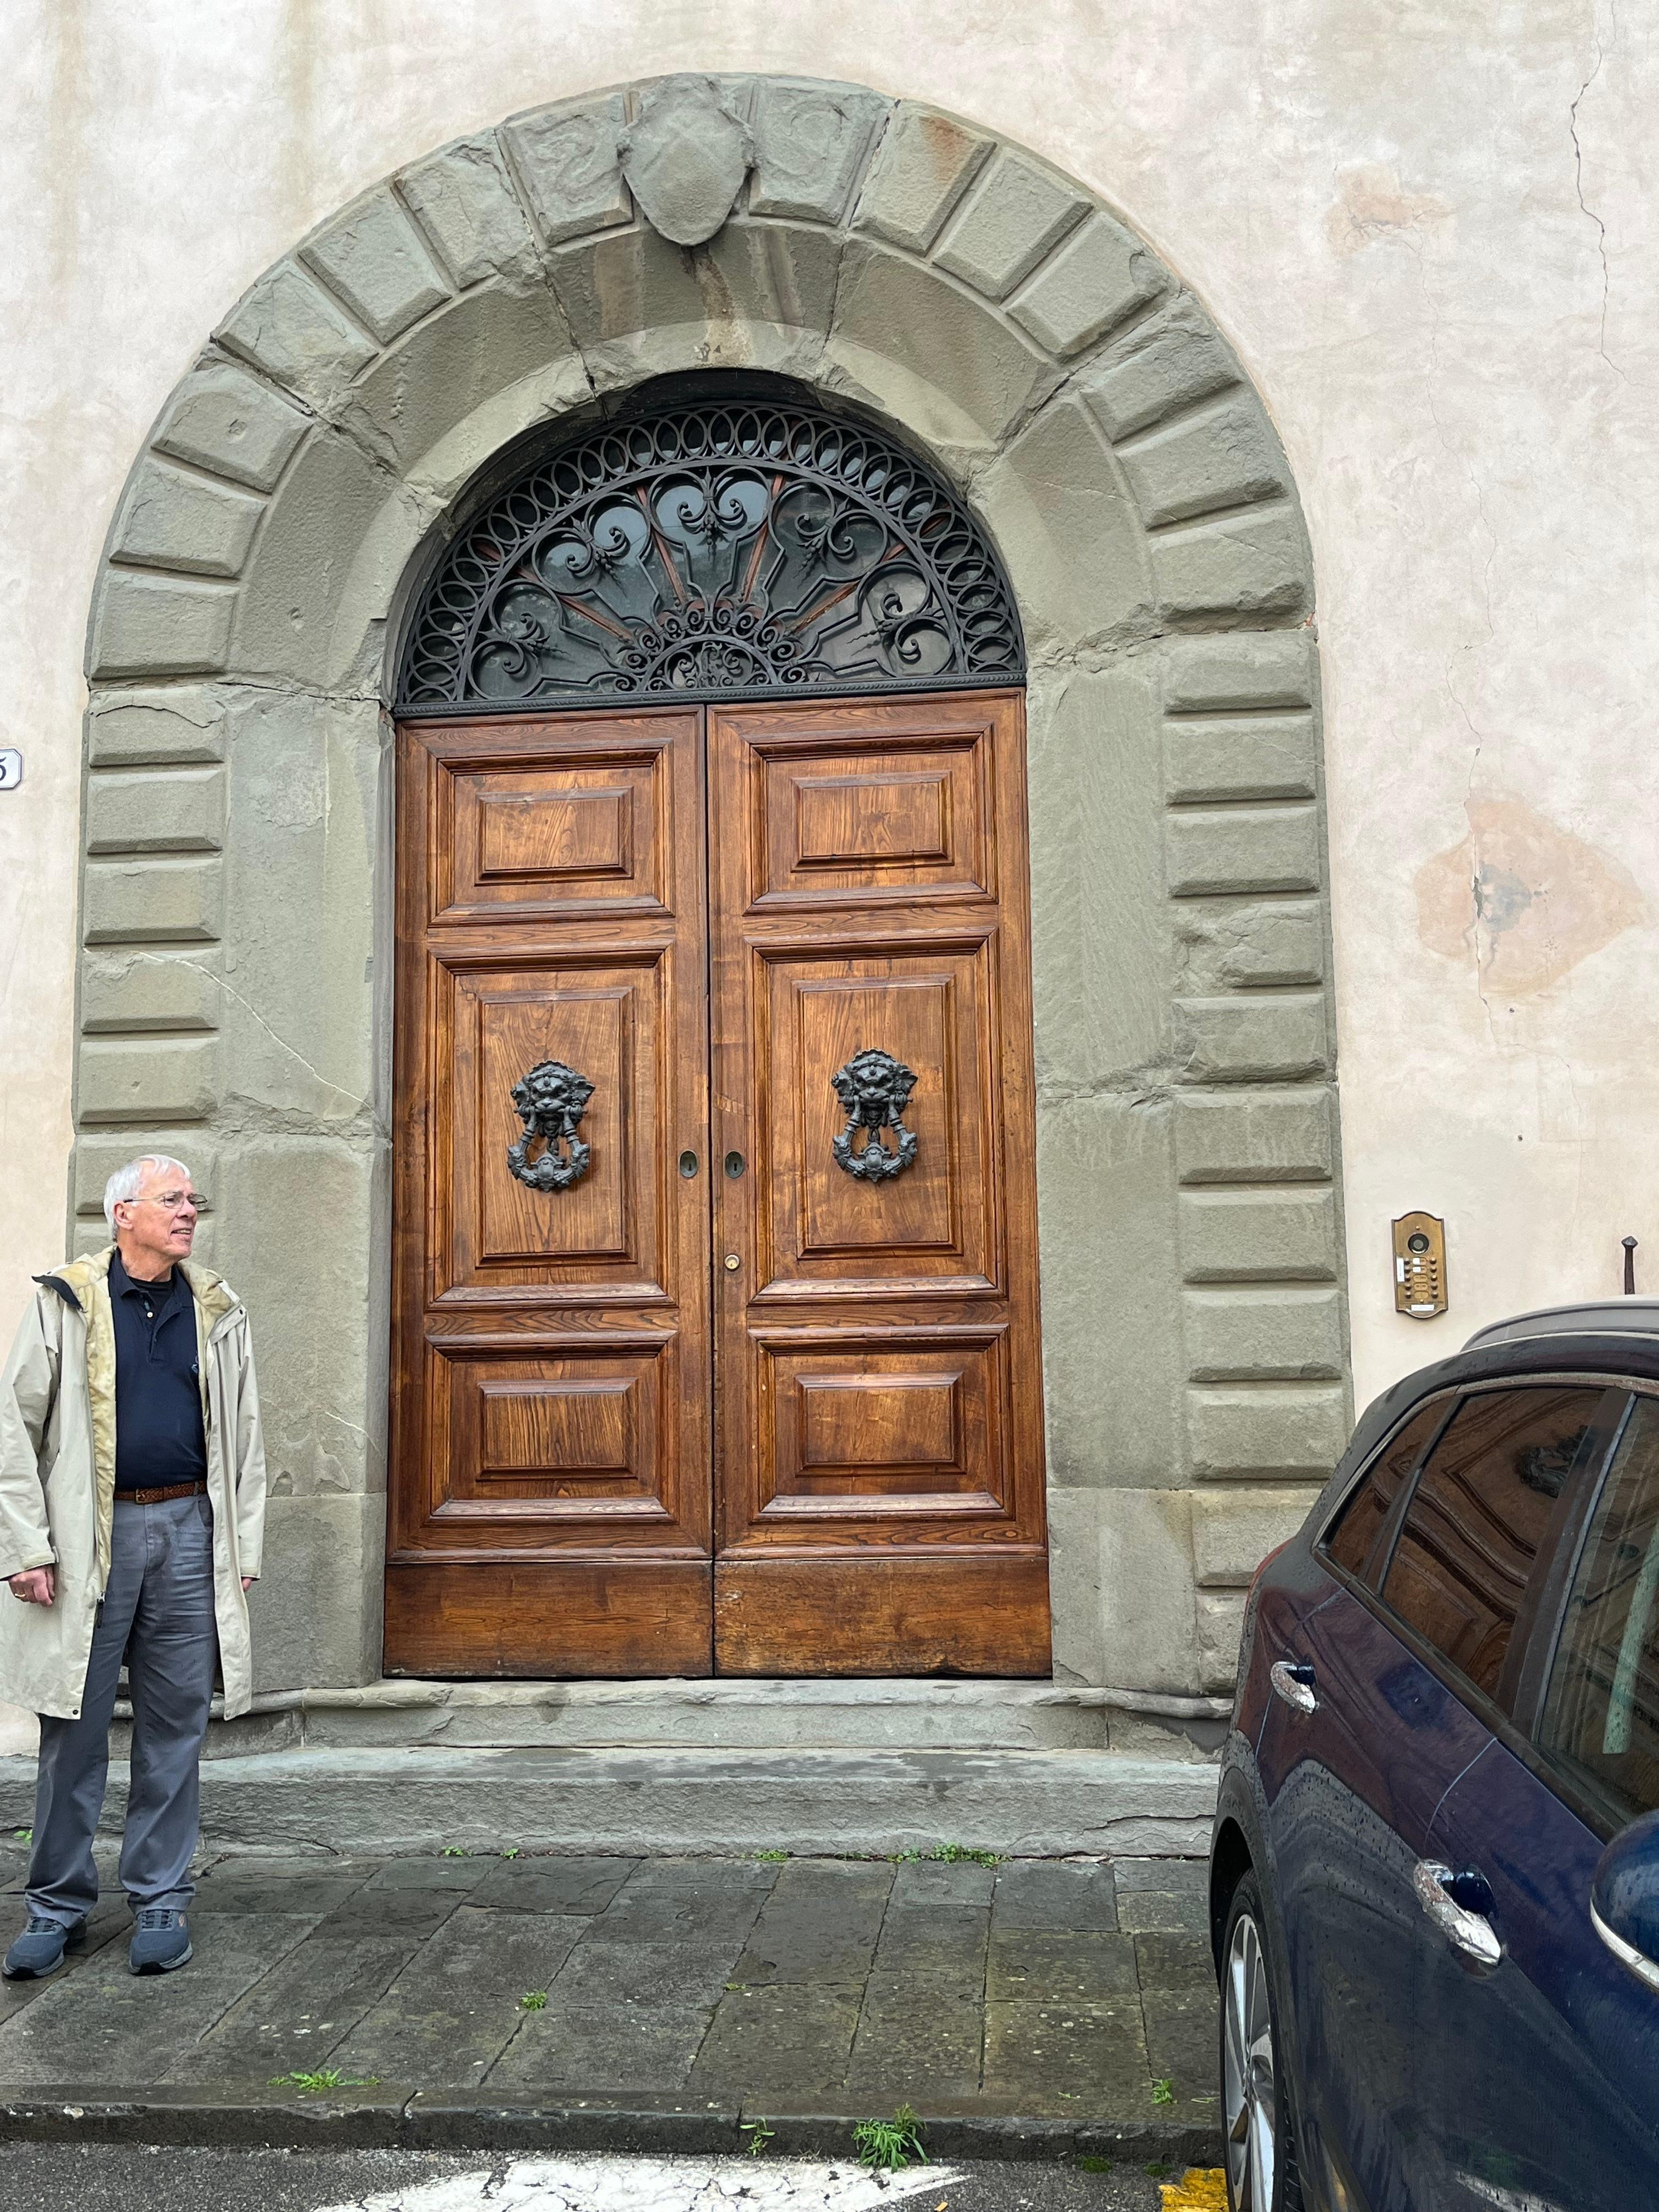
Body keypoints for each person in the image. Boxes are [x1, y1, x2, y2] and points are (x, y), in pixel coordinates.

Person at [0, 1155, 266, 1979]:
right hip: (89, 1541)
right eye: (171, 1200)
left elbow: (246, 1435)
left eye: (192, 1200)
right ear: (124, 1214)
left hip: (189, 1533)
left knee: (174, 1729)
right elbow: (13, 1429)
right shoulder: (66, 1302)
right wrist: (26, 1547)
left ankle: (160, 1899)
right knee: (71, 1729)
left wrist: (241, 1548)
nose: (189, 1213)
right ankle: (56, 1906)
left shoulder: (216, 1307)